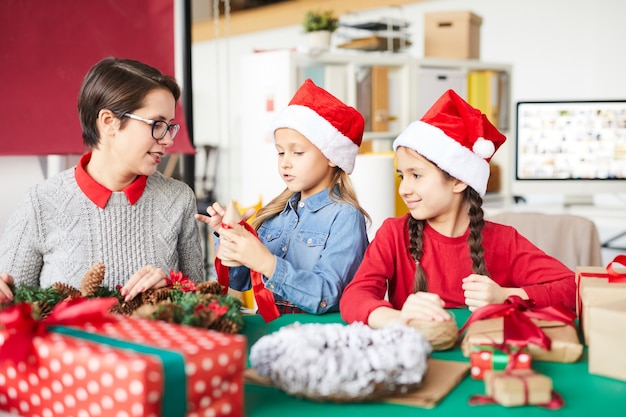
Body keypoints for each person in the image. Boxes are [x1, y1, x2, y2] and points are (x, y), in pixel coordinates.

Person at [340, 89, 576, 328]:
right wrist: (398, 318)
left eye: (417, 175)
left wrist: (505, 297)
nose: (404, 189)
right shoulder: (393, 234)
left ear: (459, 180)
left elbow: (571, 288)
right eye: (403, 176)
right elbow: (354, 296)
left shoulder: (503, 241)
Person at [0, 57, 204, 302]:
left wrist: (171, 289)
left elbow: (203, 303)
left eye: (170, 126)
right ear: (109, 122)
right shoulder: (40, 202)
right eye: (157, 124)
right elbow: (10, 308)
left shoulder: (178, 199)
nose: (168, 140)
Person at [196, 79, 370, 315]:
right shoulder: (274, 215)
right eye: (280, 152)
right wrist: (229, 237)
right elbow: (240, 282)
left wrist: (268, 263)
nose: (285, 162)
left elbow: (326, 295)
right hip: (271, 333)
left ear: (332, 156)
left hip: (316, 339)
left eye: (297, 152)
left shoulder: (345, 217)